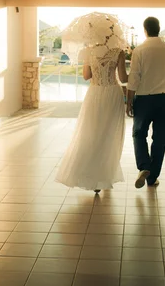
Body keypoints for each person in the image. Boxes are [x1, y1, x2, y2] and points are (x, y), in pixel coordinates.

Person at [55, 43, 129, 192]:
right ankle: (104, 175)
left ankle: (91, 173)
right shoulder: (118, 51)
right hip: (113, 93)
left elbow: (86, 76)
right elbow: (123, 77)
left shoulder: (89, 51)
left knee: (91, 132)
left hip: (95, 93)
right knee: (109, 134)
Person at [126, 17, 165, 189]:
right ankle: (152, 178)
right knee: (160, 139)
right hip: (164, 99)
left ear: (145, 30)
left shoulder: (140, 50)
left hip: (144, 99)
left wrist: (129, 100)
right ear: (159, 29)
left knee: (139, 134)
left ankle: (144, 166)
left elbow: (134, 76)